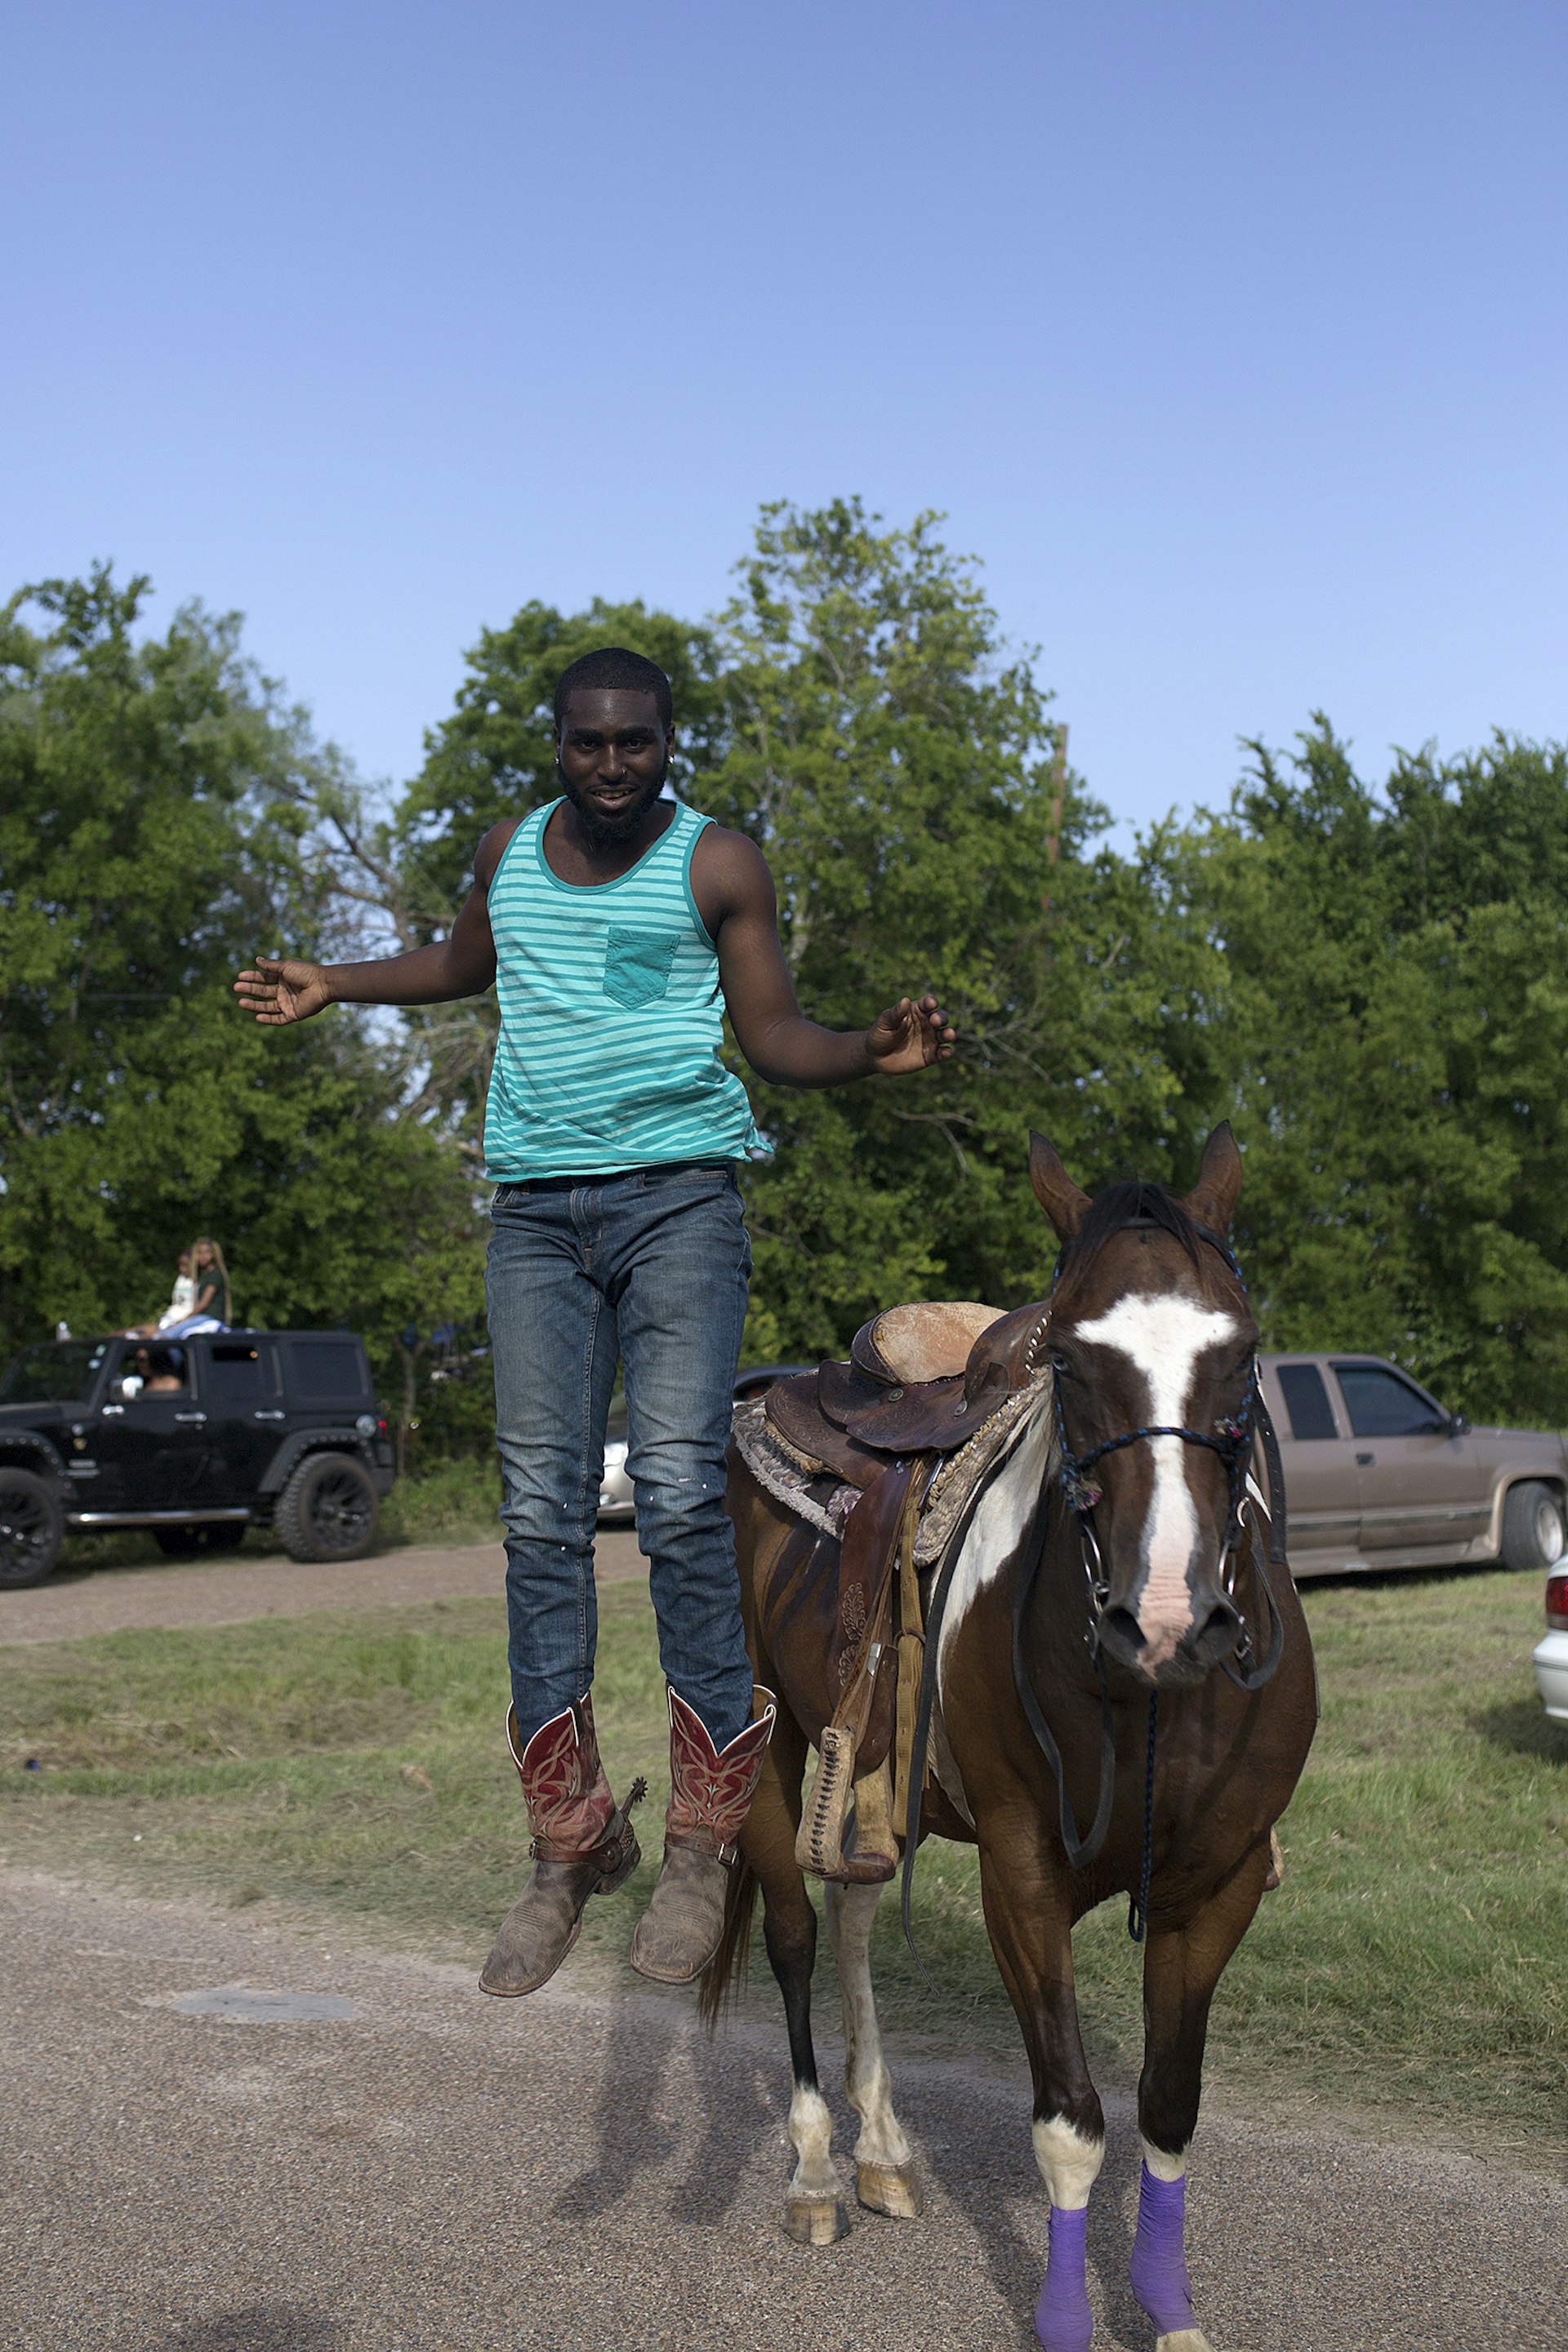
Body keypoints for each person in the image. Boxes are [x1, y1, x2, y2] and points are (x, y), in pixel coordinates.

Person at [234, 646, 954, 1998]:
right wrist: (334, 980)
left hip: (682, 1204)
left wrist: (870, 1051)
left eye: (635, 741)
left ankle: (703, 1837)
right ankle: (569, 1842)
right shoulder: (511, 850)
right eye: (588, 742)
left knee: (679, 1490)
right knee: (539, 1510)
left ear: (667, 741)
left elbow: (776, 1032)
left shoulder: (716, 862)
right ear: (557, 743)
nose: (612, 763)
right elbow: (457, 966)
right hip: (536, 1222)